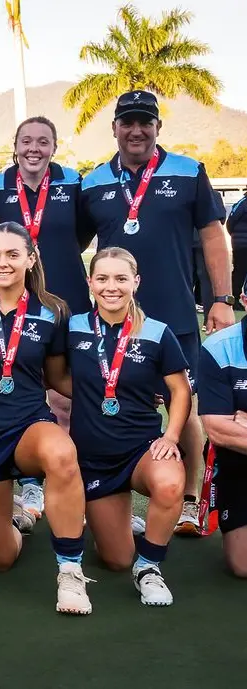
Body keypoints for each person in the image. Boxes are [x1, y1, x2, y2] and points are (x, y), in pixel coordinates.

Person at [80, 90, 233, 535]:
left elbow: (211, 235)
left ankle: (188, 499)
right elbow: (66, 243)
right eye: (127, 122)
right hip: (110, 319)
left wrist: (221, 299)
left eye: (145, 121)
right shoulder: (92, 182)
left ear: (158, 128)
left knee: (183, 407)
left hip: (174, 316)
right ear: (114, 129)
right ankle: (115, 495)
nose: (136, 130)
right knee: (116, 402)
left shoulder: (188, 172)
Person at [0, 222, 91, 614]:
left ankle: (70, 572)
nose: (2, 263)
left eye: (12, 254)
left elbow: (59, 378)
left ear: (30, 258)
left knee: (61, 454)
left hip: (28, 425)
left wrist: (123, 393)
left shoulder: (53, 310)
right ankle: (20, 518)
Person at [61, 247, 190, 606]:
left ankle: (149, 568)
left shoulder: (157, 332)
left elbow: (180, 390)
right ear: (90, 283)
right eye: (102, 278)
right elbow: (55, 376)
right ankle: (120, 522)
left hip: (140, 451)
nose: (111, 287)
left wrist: (171, 435)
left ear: (136, 282)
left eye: (120, 278)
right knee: (116, 559)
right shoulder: (73, 328)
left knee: (169, 484)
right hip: (93, 458)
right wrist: (99, 390)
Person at [0, 116, 89, 523]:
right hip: (18, 300)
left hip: (69, 298)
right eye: (26, 141)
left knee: (66, 393)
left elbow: (80, 234)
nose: (34, 148)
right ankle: (28, 484)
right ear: (15, 146)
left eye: (43, 141)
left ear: (55, 145)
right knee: (23, 386)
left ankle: (66, 482)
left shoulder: (73, 182)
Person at [198, 273, 247, 578]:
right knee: (243, 566)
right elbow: (217, 428)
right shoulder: (219, 346)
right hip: (238, 462)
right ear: (244, 299)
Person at [228, 190, 247, 310]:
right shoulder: (242, 203)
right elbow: (230, 221)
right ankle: (233, 299)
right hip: (242, 243)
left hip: (240, 241)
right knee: (240, 272)